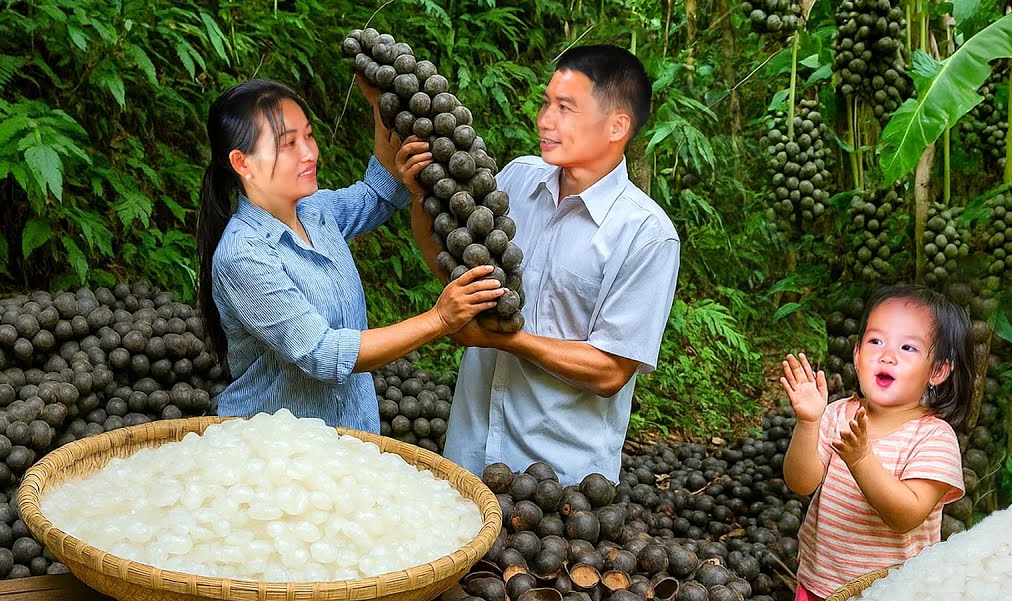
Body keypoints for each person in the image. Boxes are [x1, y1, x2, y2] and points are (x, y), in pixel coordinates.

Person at [196, 78, 505, 430]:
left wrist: (381, 104)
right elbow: (324, 354)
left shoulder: (316, 211)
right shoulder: (243, 254)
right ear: (242, 163)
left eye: (309, 136)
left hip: (350, 440)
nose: (309, 153)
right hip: (277, 450)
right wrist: (439, 320)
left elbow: (377, 193)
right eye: (289, 144)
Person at [438, 45, 681, 485]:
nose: (545, 120)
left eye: (565, 108)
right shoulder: (517, 179)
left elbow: (610, 370)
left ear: (617, 126)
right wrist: (415, 189)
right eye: (546, 103)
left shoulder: (646, 234)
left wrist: (505, 340)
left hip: (560, 482)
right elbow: (453, 260)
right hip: (468, 452)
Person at [779, 285, 976, 601]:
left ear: (938, 371)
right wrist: (809, 422)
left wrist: (861, 460)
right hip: (819, 589)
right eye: (875, 341)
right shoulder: (837, 414)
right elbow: (800, 482)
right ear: (857, 354)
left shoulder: (933, 437)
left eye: (907, 347)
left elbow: (906, 515)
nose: (887, 356)